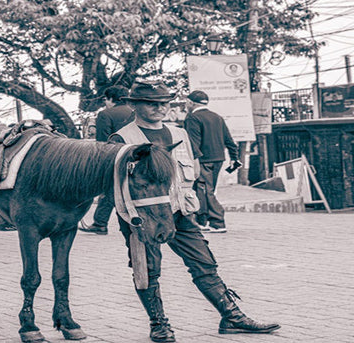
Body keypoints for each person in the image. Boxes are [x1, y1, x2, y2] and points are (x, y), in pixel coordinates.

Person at [109, 80, 279, 342]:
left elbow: (195, 170)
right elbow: (116, 186)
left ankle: (232, 317)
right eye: (151, 104)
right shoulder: (122, 139)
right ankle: (159, 325)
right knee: (148, 269)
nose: (159, 108)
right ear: (133, 105)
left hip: (179, 212)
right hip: (144, 217)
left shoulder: (180, 134)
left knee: (204, 263)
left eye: (164, 103)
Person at [79, 85, 133, 235]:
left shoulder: (105, 114)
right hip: (136, 155)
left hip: (114, 156)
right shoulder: (135, 113)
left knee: (109, 189)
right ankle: (100, 222)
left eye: (106, 99)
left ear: (110, 99)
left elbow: (103, 141)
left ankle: (100, 223)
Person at [184, 90, 240, 233]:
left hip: (203, 160)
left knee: (204, 191)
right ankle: (201, 222)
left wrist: (191, 161)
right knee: (204, 191)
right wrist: (234, 158)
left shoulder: (193, 118)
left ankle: (217, 222)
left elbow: (193, 143)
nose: (186, 105)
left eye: (186, 102)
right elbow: (229, 140)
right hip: (218, 159)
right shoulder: (217, 117)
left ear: (191, 102)